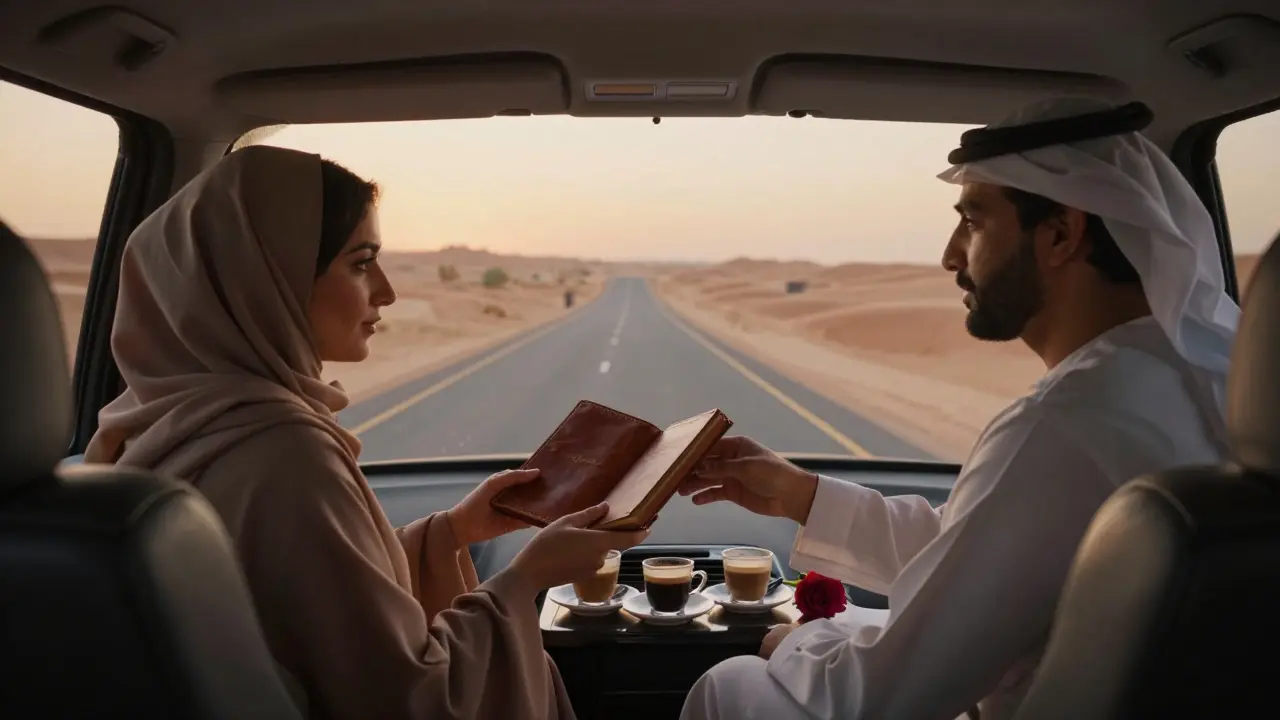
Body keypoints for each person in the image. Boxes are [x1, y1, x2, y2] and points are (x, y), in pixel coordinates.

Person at [676, 97, 1239, 720]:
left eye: (973, 221)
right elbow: (985, 549)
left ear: (1060, 233)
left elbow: (881, 698)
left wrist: (795, 643)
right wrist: (800, 497)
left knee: (735, 682)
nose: (950, 255)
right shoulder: (1201, 377)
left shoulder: (1067, 419)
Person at [83, 145, 648, 719]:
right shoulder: (283, 453)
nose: (386, 291)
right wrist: (527, 577)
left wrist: (451, 532)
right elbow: (408, 699)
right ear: (270, 279)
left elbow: (295, 611)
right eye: (360, 262)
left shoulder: (150, 425)